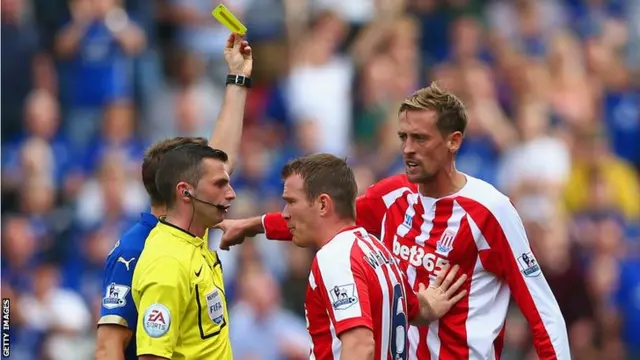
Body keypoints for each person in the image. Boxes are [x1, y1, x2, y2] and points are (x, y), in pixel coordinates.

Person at [217, 83, 571, 359]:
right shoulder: (393, 196)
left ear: (453, 141)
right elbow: (324, 216)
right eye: (404, 137)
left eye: (420, 138)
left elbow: (542, 311)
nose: (407, 149)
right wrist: (255, 225)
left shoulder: (491, 212)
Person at [95, 32, 252, 360]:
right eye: (212, 181)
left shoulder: (191, 226)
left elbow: (222, 159)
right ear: (185, 190)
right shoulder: (136, 250)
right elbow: (109, 346)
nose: (226, 190)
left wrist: (237, 77)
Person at [277, 153, 468, 360]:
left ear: (323, 204)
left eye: (291, 202)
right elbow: (416, 310)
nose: (285, 213)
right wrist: (428, 305)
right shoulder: (378, 249)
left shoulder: (335, 258)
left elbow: (360, 346)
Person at [132, 143, 236, 359]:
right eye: (220, 184)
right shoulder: (167, 263)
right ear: (185, 192)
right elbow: (153, 356)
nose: (231, 194)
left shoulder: (194, 235)